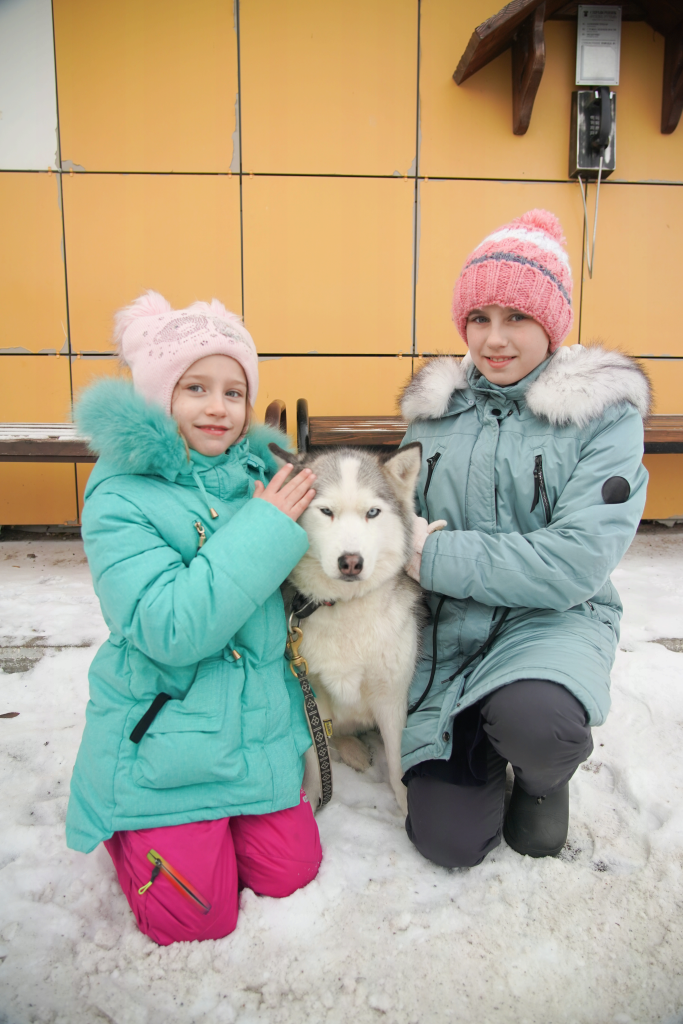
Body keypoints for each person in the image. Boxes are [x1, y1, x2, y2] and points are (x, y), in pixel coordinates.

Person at [65, 291, 322, 945]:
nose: (218, 408)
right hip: (165, 740)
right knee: (197, 917)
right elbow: (169, 628)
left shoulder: (259, 475)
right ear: (159, 396)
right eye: (195, 388)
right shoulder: (121, 495)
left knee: (291, 873)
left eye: (234, 392)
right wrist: (266, 527)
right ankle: (129, 824)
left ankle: (222, 825)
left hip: (252, 730)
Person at [399, 209, 650, 867]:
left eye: (516, 317)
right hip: (448, 634)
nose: (494, 339)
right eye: (478, 318)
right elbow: (395, 517)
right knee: (449, 843)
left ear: (552, 322)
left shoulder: (602, 417)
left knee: (539, 724)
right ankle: (479, 733)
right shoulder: (435, 411)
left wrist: (431, 554)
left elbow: (573, 563)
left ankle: (541, 777)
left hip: (550, 622)